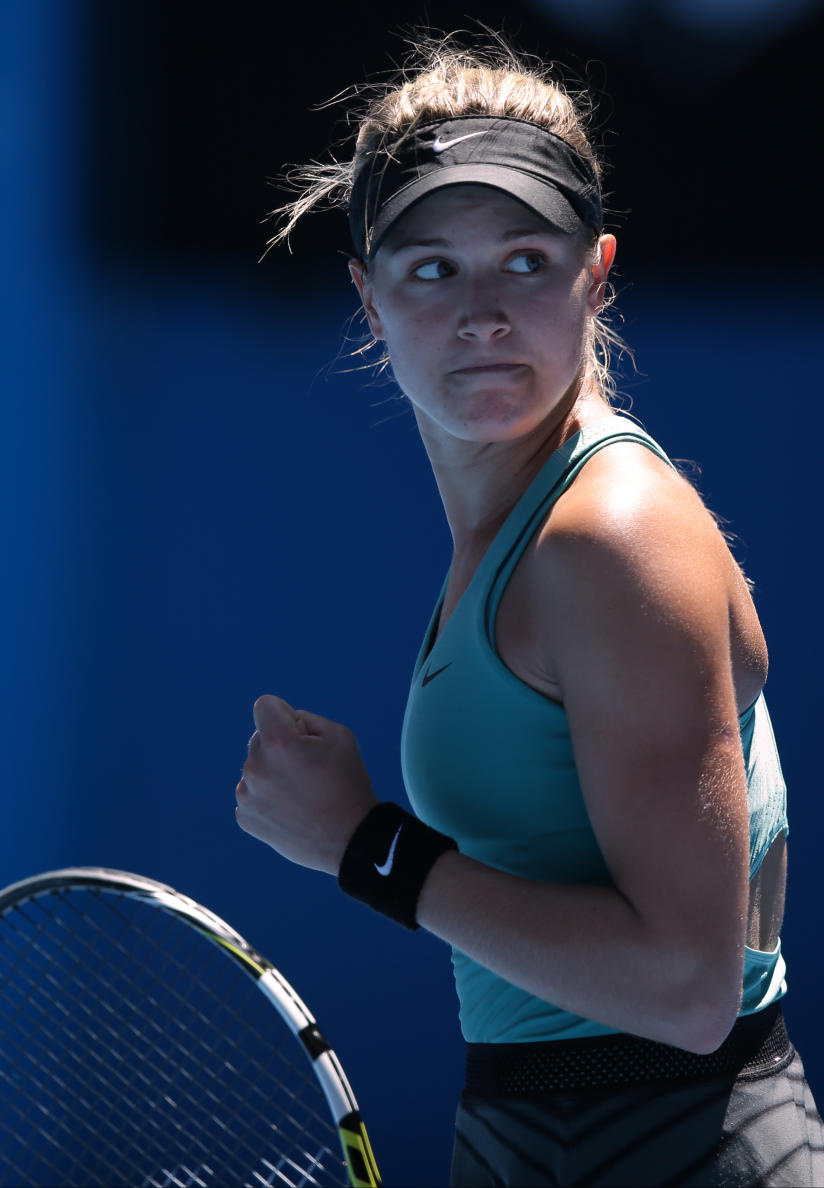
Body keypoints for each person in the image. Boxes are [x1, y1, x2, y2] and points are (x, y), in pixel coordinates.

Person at [235, 32, 823, 1187]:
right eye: (431, 269)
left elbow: (691, 992)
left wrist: (369, 849)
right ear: (367, 292)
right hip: (539, 1141)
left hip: (678, 1148)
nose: (483, 312)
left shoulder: (606, 539)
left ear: (595, 273)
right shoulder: (518, 533)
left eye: (525, 259)